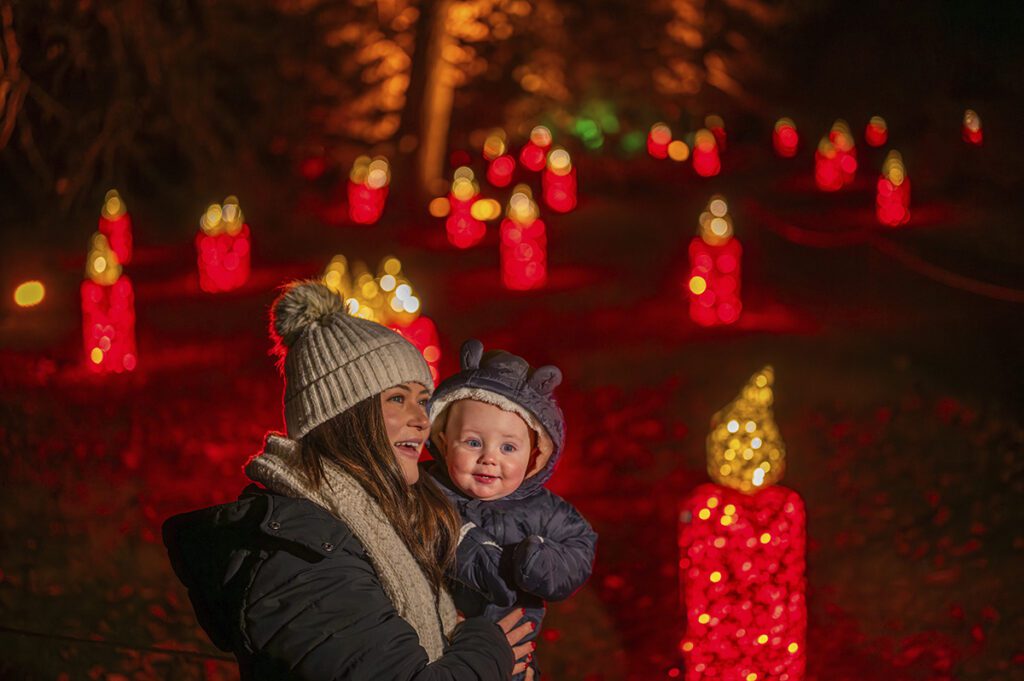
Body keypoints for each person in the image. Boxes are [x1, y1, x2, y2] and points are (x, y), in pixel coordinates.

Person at [162, 281, 535, 680]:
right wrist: (489, 649)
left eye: (423, 400)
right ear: (343, 417)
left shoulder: (383, 518)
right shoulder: (301, 556)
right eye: (397, 398)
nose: (422, 419)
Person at [425, 339, 599, 680]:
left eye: (508, 447)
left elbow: (580, 546)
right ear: (444, 440)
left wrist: (540, 562)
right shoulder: (427, 493)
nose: (490, 458)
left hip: (514, 657)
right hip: (440, 649)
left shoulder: (542, 509)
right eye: (473, 442)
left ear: (534, 455)